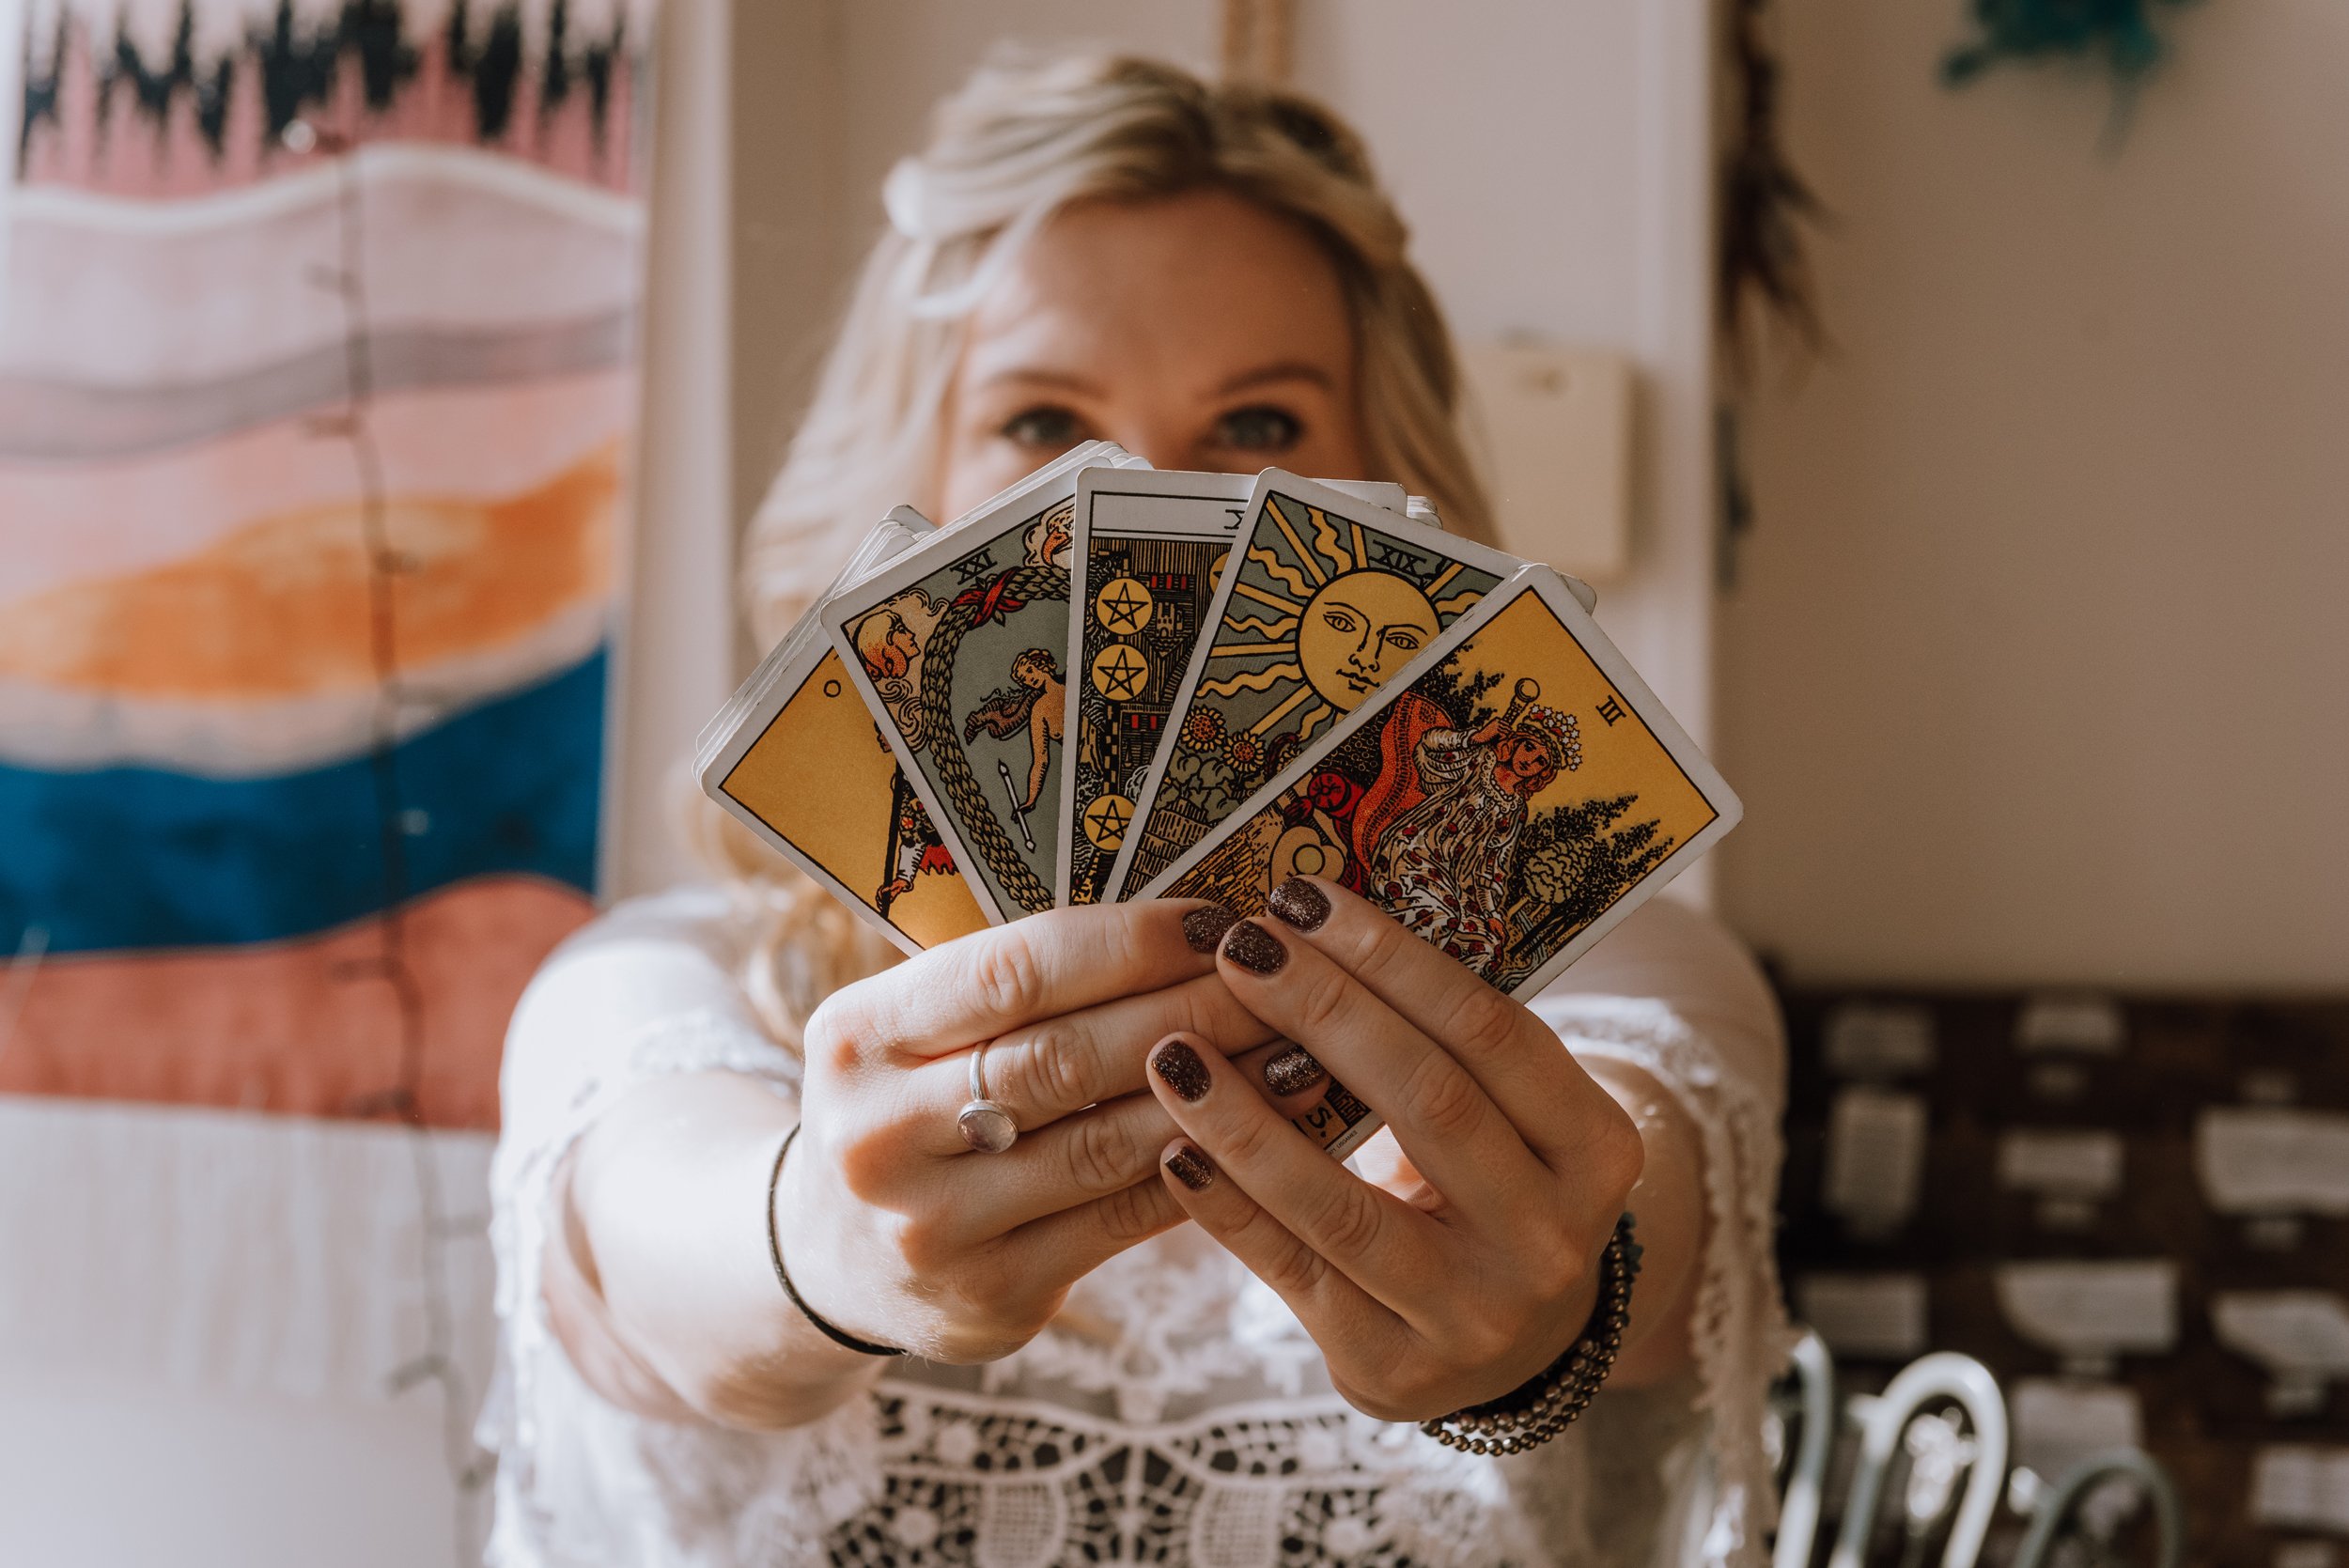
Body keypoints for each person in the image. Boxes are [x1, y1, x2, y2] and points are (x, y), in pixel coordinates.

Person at [486, 49, 1792, 1568]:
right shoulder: (653, 985)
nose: (1159, 504)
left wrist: (1545, 1307)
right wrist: (826, 1243)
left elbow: (1640, 1204)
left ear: (1394, 504)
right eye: (1043, 421)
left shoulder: (1626, 975)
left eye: (1259, 423)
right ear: (905, 498)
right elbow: (654, 1265)